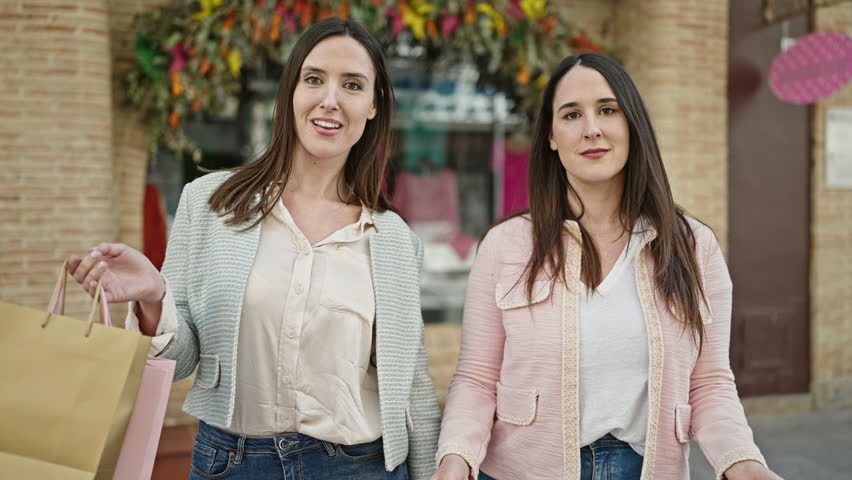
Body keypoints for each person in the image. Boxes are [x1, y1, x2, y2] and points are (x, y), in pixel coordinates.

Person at [68, 17, 440, 480]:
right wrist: (153, 298)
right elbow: (180, 362)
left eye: (352, 85)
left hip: (359, 468)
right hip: (232, 464)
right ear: (290, 93)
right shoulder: (209, 205)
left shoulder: (394, 240)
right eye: (314, 79)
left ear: (372, 106)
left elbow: (411, 386)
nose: (330, 100)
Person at [432, 53, 783, 480]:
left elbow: (709, 383)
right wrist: (456, 458)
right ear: (551, 137)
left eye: (607, 110)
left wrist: (742, 462)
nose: (591, 128)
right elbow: (476, 379)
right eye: (572, 114)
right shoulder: (505, 245)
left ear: (631, 124)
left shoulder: (693, 247)